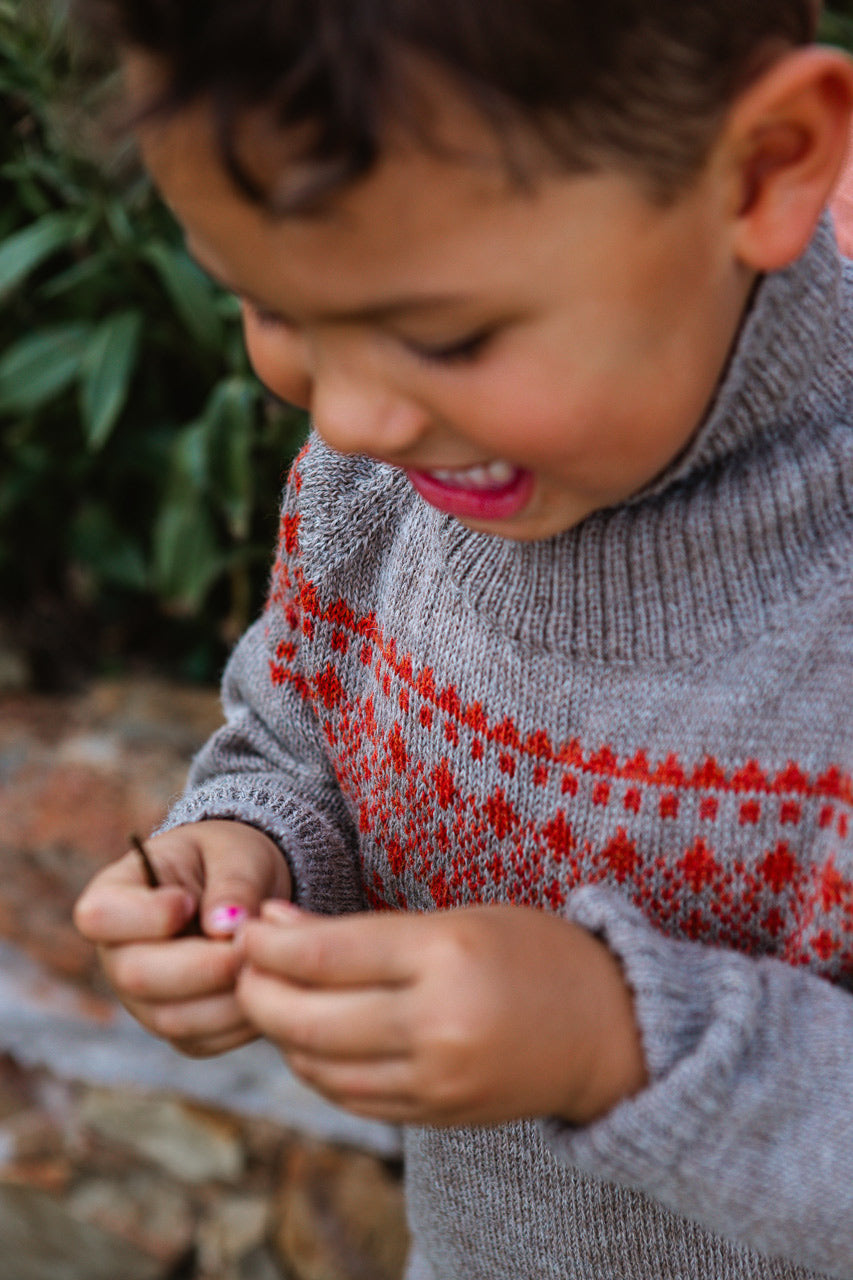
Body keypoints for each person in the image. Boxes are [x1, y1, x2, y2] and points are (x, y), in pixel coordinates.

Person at [73, 2, 853, 1276]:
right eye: (273, 309)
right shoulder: (396, 476)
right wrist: (245, 850)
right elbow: (297, 737)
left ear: (763, 165)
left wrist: (615, 1040)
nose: (353, 411)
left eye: (445, 335)